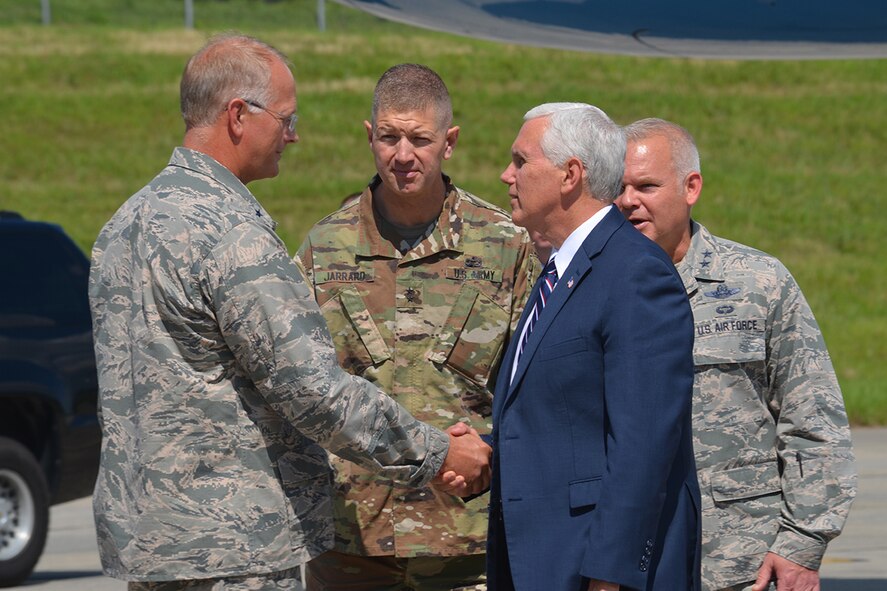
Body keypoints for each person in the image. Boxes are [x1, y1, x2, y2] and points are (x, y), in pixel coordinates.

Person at [88, 35, 490, 590]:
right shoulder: (232, 237)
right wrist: (438, 450)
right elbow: (313, 391)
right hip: (235, 551)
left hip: (153, 547)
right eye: (286, 118)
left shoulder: (122, 226)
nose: (293, 135)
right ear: (237, 116)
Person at [297, 63, 536, 591]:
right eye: (388, 137)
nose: (402, 155)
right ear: (369, 136)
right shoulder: (324, 247)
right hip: (352, 540)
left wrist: (491, 452)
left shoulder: (504, 245)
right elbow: (299, 386)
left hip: (467, 541)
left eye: (419, 139)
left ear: (448, 142)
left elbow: (536, 385)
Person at [615, 117, 857, 591]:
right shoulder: (589, 287)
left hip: (739, 563)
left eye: (646, 185)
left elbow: (815, 420)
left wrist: (802, 543)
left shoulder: (758, 282)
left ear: (691, 187)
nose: (628, 201)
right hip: (626, 561)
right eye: (617, 188)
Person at [485, 103, 701, 590]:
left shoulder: (634, 272)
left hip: (593, 568)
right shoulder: (563, 271)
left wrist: (610, 575)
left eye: (520, 161)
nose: (506, 175)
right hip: (544, 557)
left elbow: (645, 443)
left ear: (570, 175)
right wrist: (487, 451)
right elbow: (568, 416)